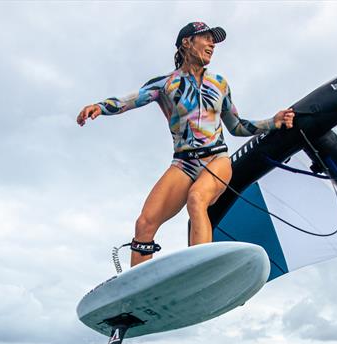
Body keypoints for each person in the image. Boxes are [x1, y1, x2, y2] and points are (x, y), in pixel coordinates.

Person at [77, 22, 294, 267]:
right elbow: (130, 100)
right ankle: (138, 291)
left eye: (214, 41)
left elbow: (236, 126)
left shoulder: (220, 84)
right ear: (187, 42)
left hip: (217, 159)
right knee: (145, 224)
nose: (212, 44)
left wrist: (272, 123)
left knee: (197, 198)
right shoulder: (165, 84)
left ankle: (200, 271)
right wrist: (100, 107)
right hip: (183, 163)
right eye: (207, 38)